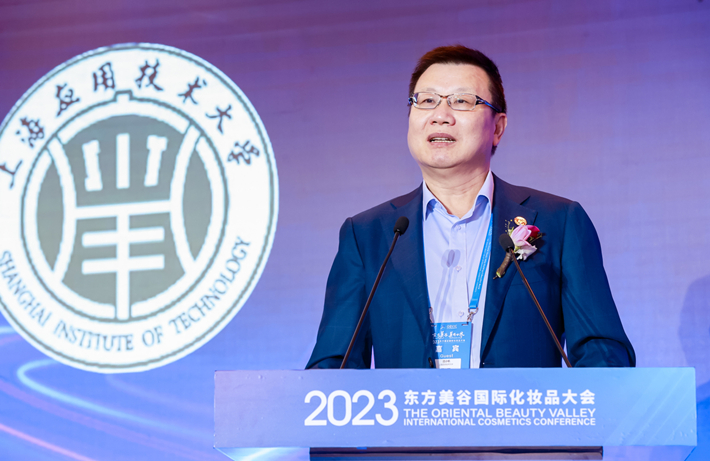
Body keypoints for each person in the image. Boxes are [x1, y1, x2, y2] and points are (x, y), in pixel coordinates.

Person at [306, 45, 635, 369]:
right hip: (412, 408)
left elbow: (603, 354)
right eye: (427, 101)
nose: (440, 115)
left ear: (498, 128)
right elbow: (334, 366)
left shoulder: (558, 223)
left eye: (462, 101)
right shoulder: (369, 235)